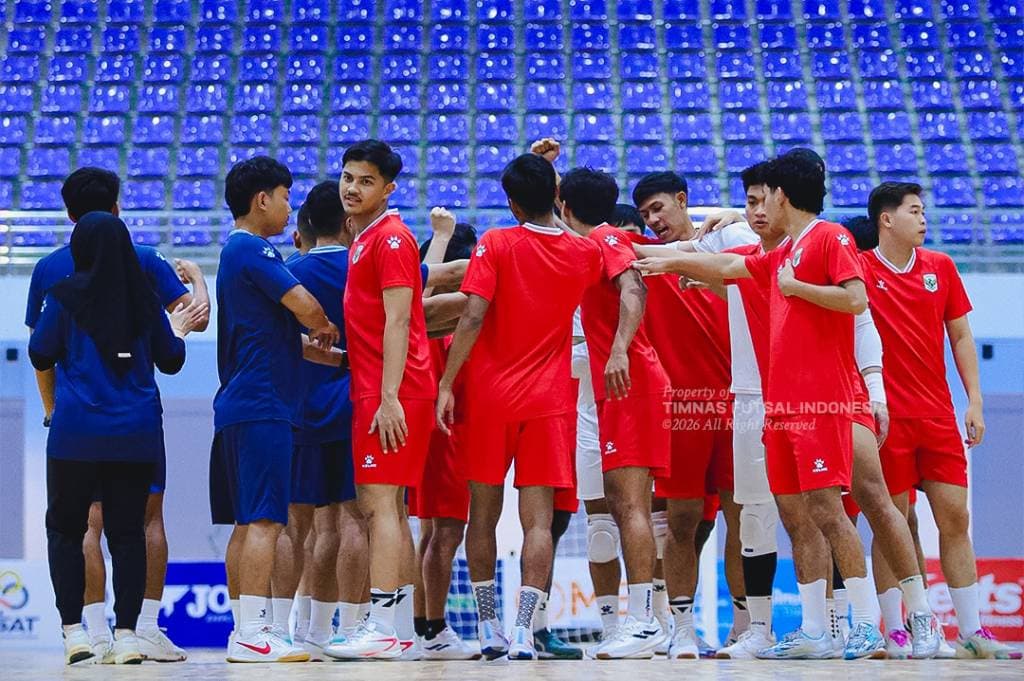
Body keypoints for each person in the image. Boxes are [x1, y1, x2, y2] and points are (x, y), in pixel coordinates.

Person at [633, 151, 889, 660]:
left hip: (820, 404)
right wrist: (666, 260)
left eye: (762, 196)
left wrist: (796, 288)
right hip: (779, 407)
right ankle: (814, 631)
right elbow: (730, 265)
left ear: (781, 195)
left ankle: (866, 625)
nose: (756, 207)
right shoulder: (781, 252)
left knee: (830, 513)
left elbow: (856, 300)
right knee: (797, 517)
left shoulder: (829, 237)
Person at [24, 167, 208, 662]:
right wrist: (176, 330)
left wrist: (56, 401)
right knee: (129, 533)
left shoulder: (63, 295)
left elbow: (39, 352)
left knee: (68, 530)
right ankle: (127, 635)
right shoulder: (145, 298)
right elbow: (172, 359)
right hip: (135, 434)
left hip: (76, 435)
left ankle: (77, 633)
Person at [436, 153, 603, 660]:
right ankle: (527, 631)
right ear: (557, 195)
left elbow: (471, 317)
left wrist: (447, 383)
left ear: (511, 203)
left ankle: (489, 628)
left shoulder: (495, 242)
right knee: (539, 522)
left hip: (489, 397)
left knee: (482, 515)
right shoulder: (584, 252)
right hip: (550, 400)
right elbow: (589, 253)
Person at [859, 182, 1021, 660]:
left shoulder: (941, 267)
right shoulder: (860, 269)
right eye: (914, 211)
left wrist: (975, 401)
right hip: (885, 419)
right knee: (892, 523)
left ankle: (971, 631)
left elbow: (962, 336)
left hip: (936, 416)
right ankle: (895, 630)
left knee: (955, 518)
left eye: (924, 211)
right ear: (886, 219)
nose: (923, 219)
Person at [210, 156, 340, 663]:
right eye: (285, 197)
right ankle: (254, 632)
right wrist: (324, 323)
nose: (290, 207)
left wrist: (334, 354)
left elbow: (284, 339)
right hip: (264, 405)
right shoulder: (253, 247)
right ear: (262, 199)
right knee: (266, 521)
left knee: (248, 523)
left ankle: (244, 630)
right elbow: (305, 305)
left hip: (241, 404)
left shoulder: (233, 254)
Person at [324, 140, 436, 661]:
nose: (352, 188)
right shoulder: (364, 236)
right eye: (348, 177)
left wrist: (389, 396)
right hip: (380, 385)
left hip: (393, 390)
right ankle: (401, 628)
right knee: (390, 506)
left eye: (366, 181)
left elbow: (400, 320)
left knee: (378, 504)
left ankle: (384, 626)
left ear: (388, 189)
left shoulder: (391, 239)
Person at [630, 171, 744, 659]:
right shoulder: (641, 258)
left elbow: (779, 234)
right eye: (645, 215)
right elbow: (581, 228)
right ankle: (680, 629)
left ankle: (746, 628)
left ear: (682, 200)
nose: (653, 220)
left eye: (658, 208)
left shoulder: (730, 243)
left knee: (744, 521)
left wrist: (737, 214)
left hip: (740, 406)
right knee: (681, 519)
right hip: (680, 411)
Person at [560, 167, 671, 659]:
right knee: (620, 509)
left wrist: (620, 349)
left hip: (632, 383)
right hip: (617, 389)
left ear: (568, 207)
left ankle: (644, 623)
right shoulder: (590, 242)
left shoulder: (607, 239)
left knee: (631, 507)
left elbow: (633, 289)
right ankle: (637, 622)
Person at [271, 181, 364, 660]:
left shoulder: (288, 274)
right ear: (349, 222)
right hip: (355, 407)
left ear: (303, 227)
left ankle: (281, 630)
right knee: (354, 522)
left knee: (294, 525)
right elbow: (438, 280)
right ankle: (339, 630)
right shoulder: (365, 266)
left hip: (299, 411)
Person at [410, 213, 482, 660]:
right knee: (446, 534)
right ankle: (435, 630)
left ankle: (424, 627)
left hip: (444, 430)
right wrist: (440, 238)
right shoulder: (444, 313)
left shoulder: (451, 312)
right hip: (446, 430)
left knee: (432, 532)